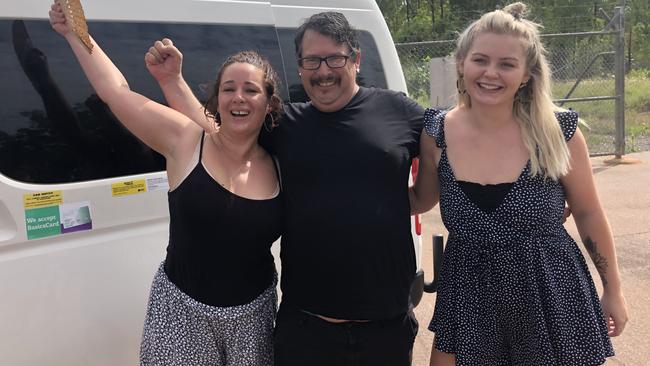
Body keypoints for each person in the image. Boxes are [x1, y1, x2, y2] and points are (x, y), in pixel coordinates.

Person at [147, 11, 424, 366]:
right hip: (306, 329)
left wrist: (423, 196)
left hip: (385, 327)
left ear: (356, 58)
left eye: (334, 58)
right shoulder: (287, 125)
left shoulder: (399, 110)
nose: (323, 71)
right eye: (312, 60)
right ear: (300, 67)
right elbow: (218, 127)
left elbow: (450, 136)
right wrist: (173, 82)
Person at [49, 3, 284, 365]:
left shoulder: (281, 163)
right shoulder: (185, 141)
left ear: (269, 103)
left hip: (253, 320)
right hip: (180, 314)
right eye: (228, 89)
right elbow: (117, 92)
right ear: (216, 100)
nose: (238, 97)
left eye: (251, 90)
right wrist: (75, 33)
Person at [408, 3, 629, 365]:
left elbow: (588, 212)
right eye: (480, 60)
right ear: (461, 64)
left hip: (550, 295)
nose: (490, 73)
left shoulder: (558, 133)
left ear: (527, 74)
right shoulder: (436, 134)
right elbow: (420, 200)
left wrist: (614, 290)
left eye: (507, 64)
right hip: (468, 297)